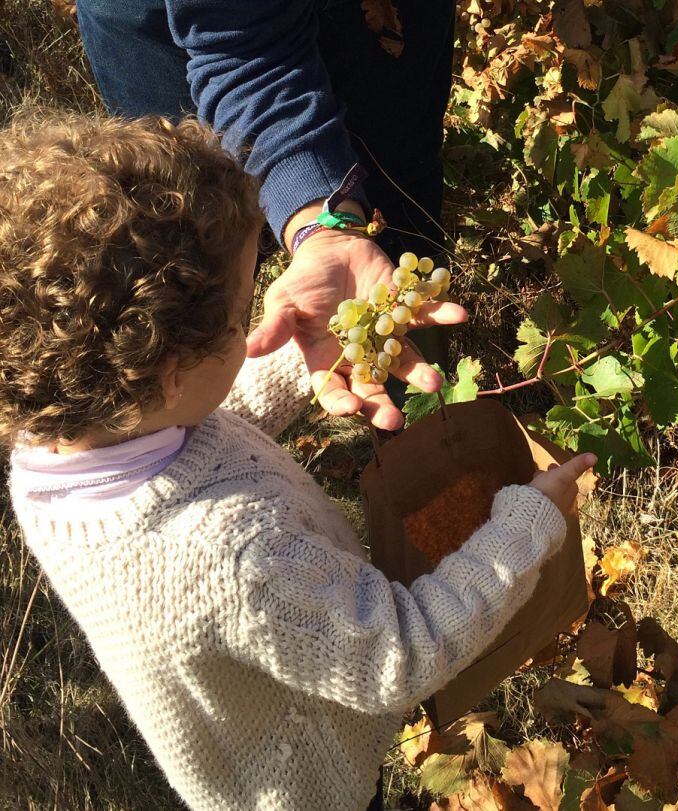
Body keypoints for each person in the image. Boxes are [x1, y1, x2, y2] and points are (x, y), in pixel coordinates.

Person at [0, 112, 596, 811]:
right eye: (241, 316)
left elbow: (201, 429)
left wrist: (308, 354)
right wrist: (526, 525)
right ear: (171, 371)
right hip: (310, 784)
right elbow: (399, 652)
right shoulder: (232, 556)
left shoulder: (58, 451)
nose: (256, 319)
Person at [75, 0, 457, 427]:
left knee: (392, 200)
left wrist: (329, 229)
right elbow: (244, 51)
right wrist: (323, 224)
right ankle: (193, 434)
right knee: (186, 249)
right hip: (172, 26)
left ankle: (425, 429)